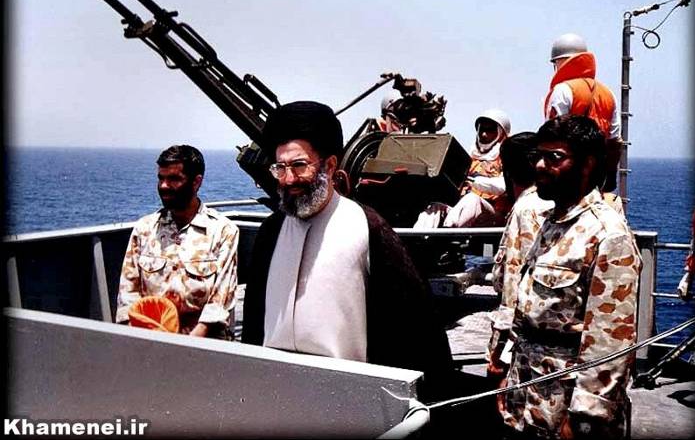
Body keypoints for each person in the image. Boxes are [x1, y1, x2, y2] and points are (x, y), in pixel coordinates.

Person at [241, 101, 453, 393]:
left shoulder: (367, 228)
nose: (289, 179)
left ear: (329, 166)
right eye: (280, 168)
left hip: (346, 398)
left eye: (299, 166)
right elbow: (253, 322)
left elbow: (419, 328)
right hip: (274, 392)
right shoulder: (271, 232)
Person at [499, 115, 641, 439]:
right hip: (528, 393)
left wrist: (585, 417)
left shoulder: (607, 234)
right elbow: (528, 312)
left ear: (587, 164)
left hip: (567, 407)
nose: (540, 165)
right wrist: (510, 376)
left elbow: (610, 342)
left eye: (554, 157)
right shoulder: (552, 224)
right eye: (538, 156)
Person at [116, 145, 239, 338]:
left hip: (202, 342)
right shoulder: (144, 229)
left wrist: (184, 347)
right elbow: (128, 294)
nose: (164, 186)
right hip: (150, 340)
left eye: (173, 179)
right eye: (161, 178)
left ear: (196, 182)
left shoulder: (223, 231)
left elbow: (220, 301)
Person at [487, 132, 554, 380]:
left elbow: (513, 285)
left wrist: (497, 351)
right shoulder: (554, 203)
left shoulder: (525, 209)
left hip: (525, 342)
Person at [545, 33, 623, 193]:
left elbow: (551, 137)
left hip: (568, 175)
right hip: (596, 176)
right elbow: (615, 142)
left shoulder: (563, 90)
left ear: (560, 62)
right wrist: (610, 176)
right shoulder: (608, 93)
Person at [414, 108, 511, 229]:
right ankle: (418, 236)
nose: (484, 134)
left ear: (501, 133)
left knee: (472, 200)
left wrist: (472, 180)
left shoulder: (507, 157)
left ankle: (450, 233)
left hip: (494, 214)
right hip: (464, 210)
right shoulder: (470, 159)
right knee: (434, 208)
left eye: (490, 130)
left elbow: (502, 186)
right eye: (482, 129)